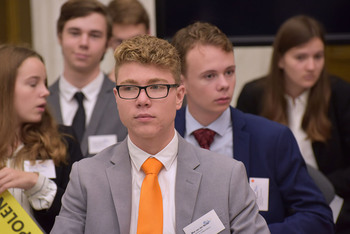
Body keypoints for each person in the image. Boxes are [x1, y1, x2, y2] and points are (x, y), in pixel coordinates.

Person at [51, 35, 270, 233]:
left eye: (156, 87)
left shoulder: (226, 177)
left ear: (179, 96)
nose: (142, 100)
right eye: (130, 88)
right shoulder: (87, 177)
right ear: (116, 97)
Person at [172, 22, 334, 233]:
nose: (224, 84)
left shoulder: (271, 139)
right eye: (210, 76)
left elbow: (318, 217)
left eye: (229, 72)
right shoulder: (163, 136)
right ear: (180, 83)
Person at [236, 15, 350, 234]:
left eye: (318, 56)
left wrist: (317, 185)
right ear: (280, 59)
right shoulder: (254, 95)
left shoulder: (340, 94)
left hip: (333, 201)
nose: (311, 66)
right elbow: (243, 159)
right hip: (271, 202)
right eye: (301, 57)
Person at [0, 44, 83, 233]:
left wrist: (35, 184)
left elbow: (84, 214)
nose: (45, 92)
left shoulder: (64, 141)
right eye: (33, 84)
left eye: (44, 83)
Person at [47, 0, 127, 157]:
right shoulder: (42, 102)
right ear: (59, 36)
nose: (84, 43)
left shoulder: (125, 100)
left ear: (107, 44)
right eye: (75, 33)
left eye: (94, 35)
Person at [106, 0, 150, 81]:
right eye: (120, 42)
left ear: (149, 34)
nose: (129, 50)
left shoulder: (173, 82)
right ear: (108, 41)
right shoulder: (101, 89)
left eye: (135, 40)